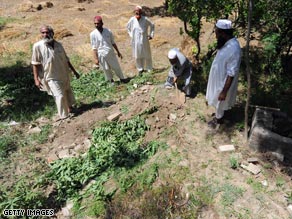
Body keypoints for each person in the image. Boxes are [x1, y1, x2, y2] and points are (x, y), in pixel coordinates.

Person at [32, 25, 80, 120]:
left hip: (63, 73)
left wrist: (74, 71)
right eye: (43, 33)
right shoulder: (37, 46)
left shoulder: (59, 45)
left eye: (47, 32)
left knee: (66, 92)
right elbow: (35, 63)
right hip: (50, 76)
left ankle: (69, 108)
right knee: (59, 95)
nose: (45, 34)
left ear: (52, 33)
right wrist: (36, 78)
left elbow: (66, 60)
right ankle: (64, 116)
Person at [206, 19, 242, 128]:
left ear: (223, 33)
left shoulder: (234, 49)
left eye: (217, 33)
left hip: (224, 82)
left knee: (220, 100)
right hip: (219, 79)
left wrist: (224, 91)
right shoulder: (227, 44)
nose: (216, 36)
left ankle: (219, 120)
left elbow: (231, 73)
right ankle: (219, 116)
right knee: (218, 100)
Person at [90, 15, 127, 84]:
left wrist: (118, 52)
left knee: (116, 66)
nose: (96, 25)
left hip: (110, 52)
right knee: (106, 69)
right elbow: (94, 48)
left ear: (102, 23)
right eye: (95, 24)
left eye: (98, 23)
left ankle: (122, 79)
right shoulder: (92, 34)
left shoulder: (108, 31)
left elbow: (113, 43)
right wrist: (96, 59)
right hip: (101, 54)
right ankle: (111, 81)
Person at [127, 5, 154, 75]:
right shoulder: (132, 20)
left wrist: (151, 35)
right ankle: (140, 69)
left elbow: (152, 25)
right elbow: (127, 28)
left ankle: (149, 68)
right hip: (135, 41)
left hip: (144, 39)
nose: (137, 14)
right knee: (137, 55)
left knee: (147, 54)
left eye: (138, 12)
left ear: (141, 12)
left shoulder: (145, 19)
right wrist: (131, 35)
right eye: (136, 13)